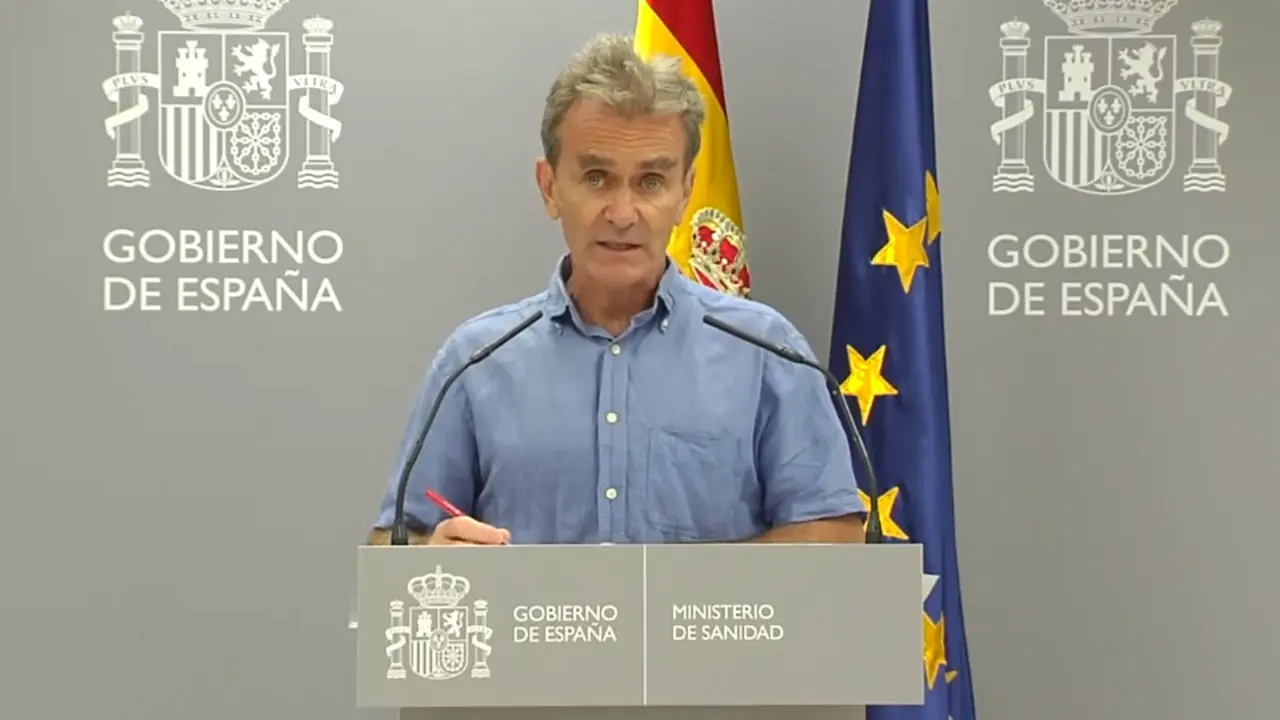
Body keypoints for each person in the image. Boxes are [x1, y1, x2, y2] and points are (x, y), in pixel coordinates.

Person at [367, 33, 865, 546]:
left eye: (651, 182)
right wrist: (430, 552)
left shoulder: (765, 351)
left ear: (684, 193)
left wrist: (684, 597)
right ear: (550, 187)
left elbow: (836, 532)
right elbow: (390, 546)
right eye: (598, 178)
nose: (623, 214)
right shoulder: (475, 361)